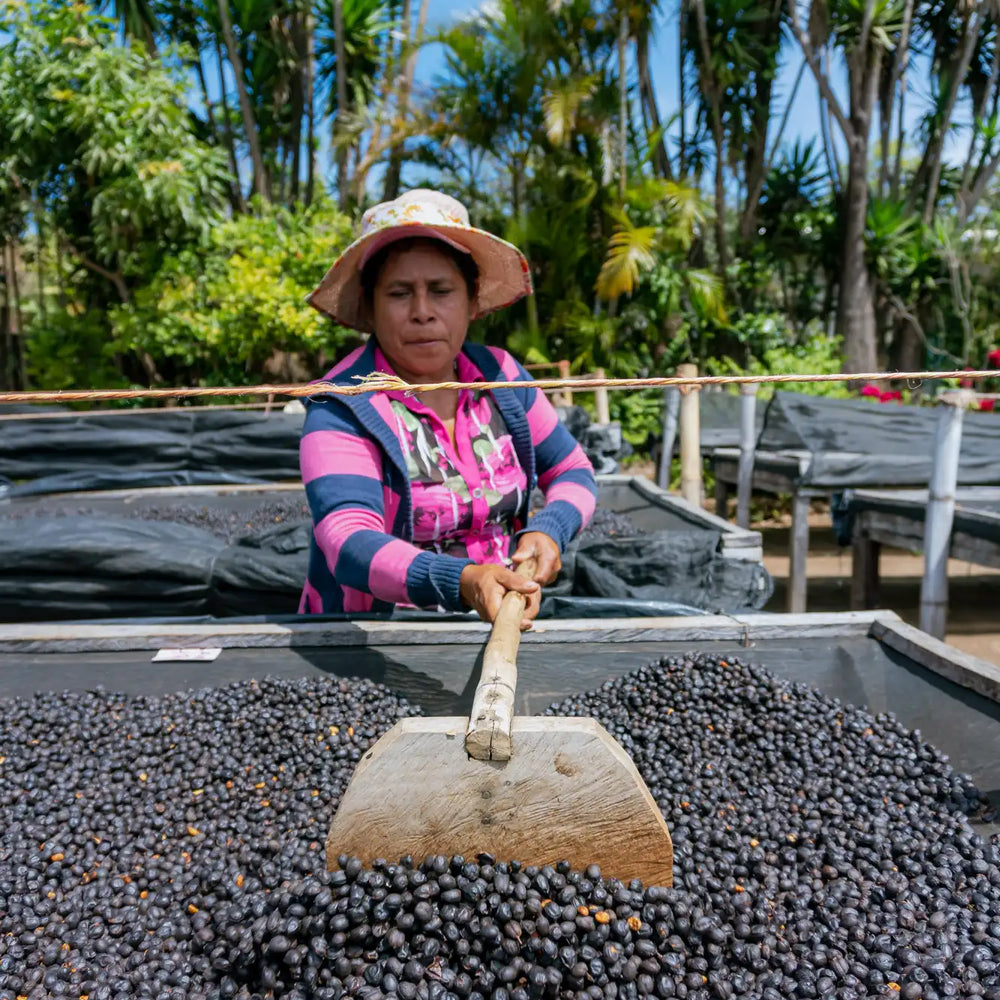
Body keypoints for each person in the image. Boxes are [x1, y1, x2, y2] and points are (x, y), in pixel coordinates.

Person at [298, 188, 597, 629]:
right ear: (370, 306)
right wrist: (461, 580)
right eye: (399, 293)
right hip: (375, 640)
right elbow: (347, 538)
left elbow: (572, 468)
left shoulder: (501, 376)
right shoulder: (342, 403)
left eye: (441, 291)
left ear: (471, 300)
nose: (422, 312)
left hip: (505, 621)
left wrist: (550, 528)